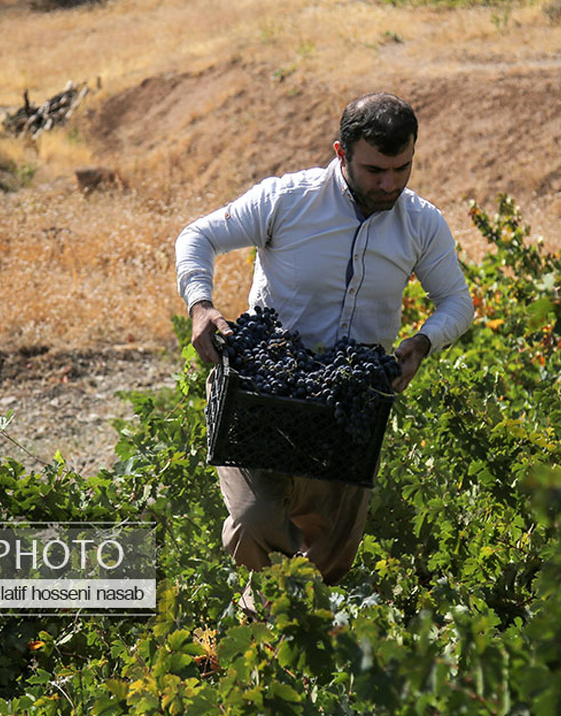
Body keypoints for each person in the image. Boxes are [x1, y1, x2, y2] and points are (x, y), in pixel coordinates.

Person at [174, 92, 473, 586]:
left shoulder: (421, 223)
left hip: (349, 407)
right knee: (253, 523)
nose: (389, 183)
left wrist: (422, 343)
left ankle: (291, 628)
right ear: (341, 153)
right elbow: (197, 237)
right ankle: (268, 619)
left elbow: (457, 302)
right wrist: (200, 305)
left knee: (329, 559)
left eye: (401, 169)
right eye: (375, 170)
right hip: (263, 397)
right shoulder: (287, 200)